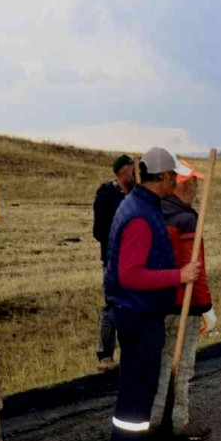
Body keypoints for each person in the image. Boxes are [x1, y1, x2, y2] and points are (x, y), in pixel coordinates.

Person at [104, 147, 200, 441]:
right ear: (166, 177)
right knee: (138, 386)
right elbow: (130, 274)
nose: (177, 182)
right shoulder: (140, 217)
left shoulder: (142, 205)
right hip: (138, 313)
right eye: (175, 176)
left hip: (139, 310)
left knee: (139, 383)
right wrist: (179, 276)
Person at [152, 160, 214, 441]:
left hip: (155, 300)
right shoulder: (188, 220)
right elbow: (195, 268)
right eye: (193, 183)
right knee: (180, 364)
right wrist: (206, 307)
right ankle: (177, 421)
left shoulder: (152, 211)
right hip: (182, 304)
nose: (196, 189)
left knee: (159, 363)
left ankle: (154, 418)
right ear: (182, 185)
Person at [91, 154, 136, 372]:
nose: (136, 174)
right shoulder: (106, 196)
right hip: (113, 261)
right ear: (122, 173)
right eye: (132, 170)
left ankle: (131, 354)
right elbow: (98, 231)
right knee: (112, 306)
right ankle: (105, 356)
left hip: (134, 261)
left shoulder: (136, 194)